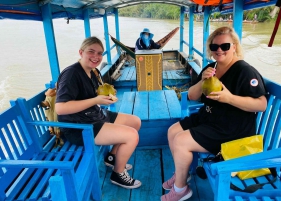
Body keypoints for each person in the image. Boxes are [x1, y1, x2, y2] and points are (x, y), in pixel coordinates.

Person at [161, 26, 267, 201]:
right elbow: (193, 96)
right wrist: (203, 79)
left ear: (234, 47)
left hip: (231, 129)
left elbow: (261, 104)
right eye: (214, 47)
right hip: (209, 119)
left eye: (225, 46)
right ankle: (182, 173)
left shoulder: (245, 71)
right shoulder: (212, 68)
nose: (219, 50)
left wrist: (230, 98)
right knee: (173, 130)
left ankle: (180, 190)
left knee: (181, 141)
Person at [55, 36, 142, 189]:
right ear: (81, 52)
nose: (96, 57)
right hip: (79, 127)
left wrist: (108, 95)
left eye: (100, 53)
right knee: (131, 136)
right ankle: (118, 173)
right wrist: (96, 101)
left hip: (94, 116)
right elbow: (60, 108)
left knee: (135, 122)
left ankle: (111, 157)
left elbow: (95, 94)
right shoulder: (71, 74)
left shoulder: (94, 72)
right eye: (91, 52)